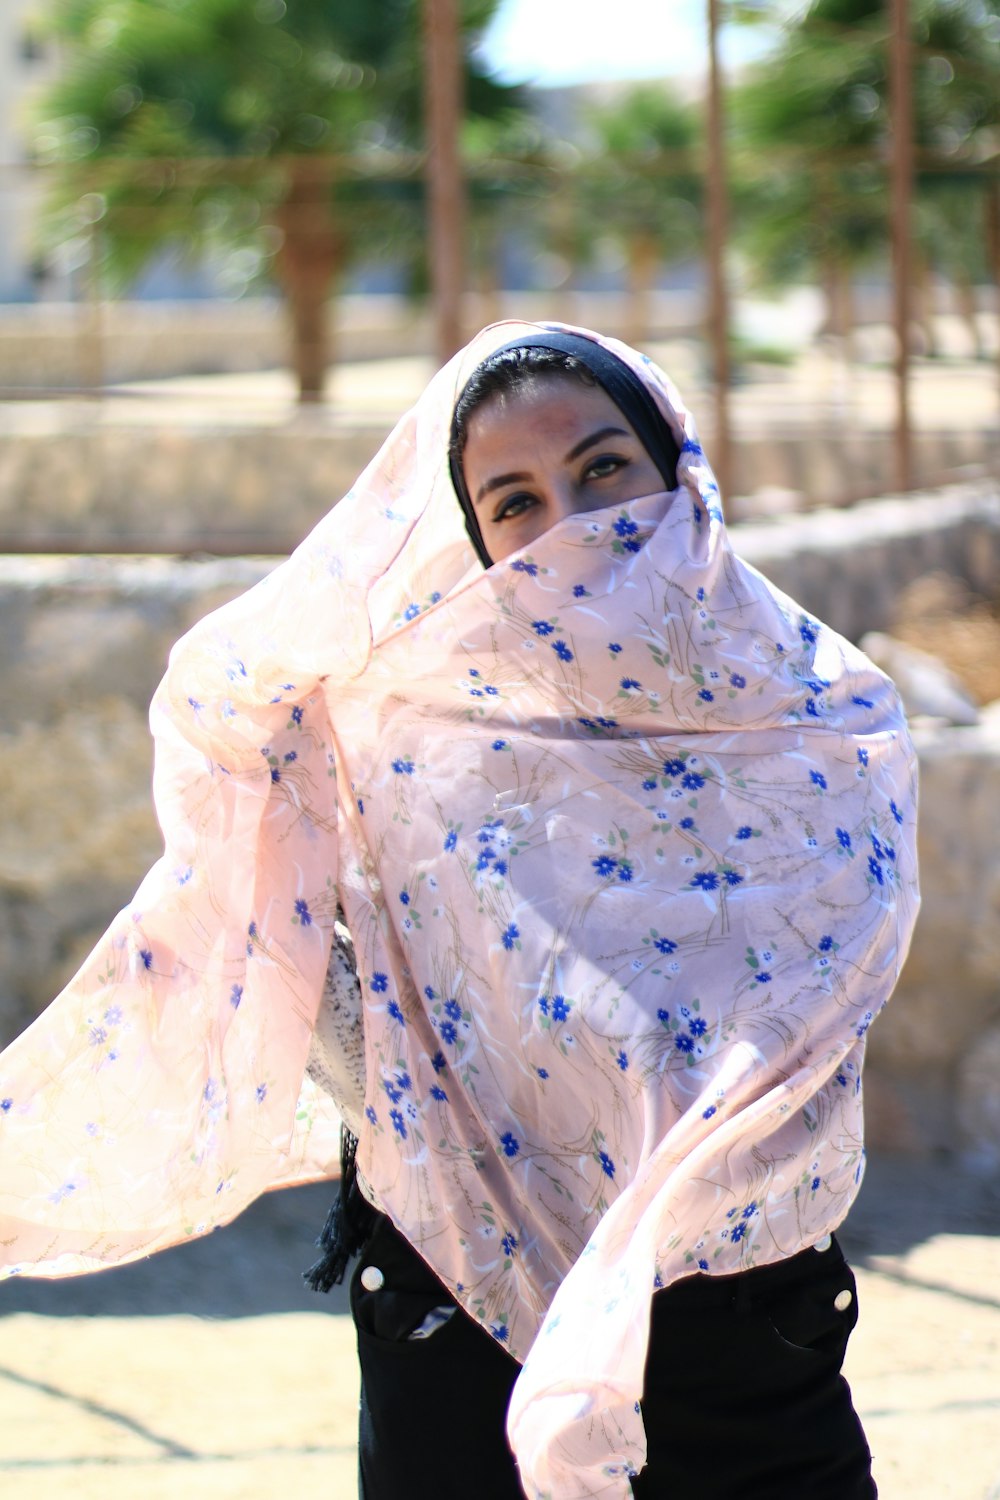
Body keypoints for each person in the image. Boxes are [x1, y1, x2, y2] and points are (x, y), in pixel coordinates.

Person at [0, 322, 919, 1499]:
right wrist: (402, 1105)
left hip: (741, 1328)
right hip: (455, 1311)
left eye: (600, 470)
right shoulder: (418, 745)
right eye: (515, 501)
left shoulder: (821, 719)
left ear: (676, 469)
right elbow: (332, 967)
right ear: (474, 534)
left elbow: (813, 1006)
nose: (569, 526)